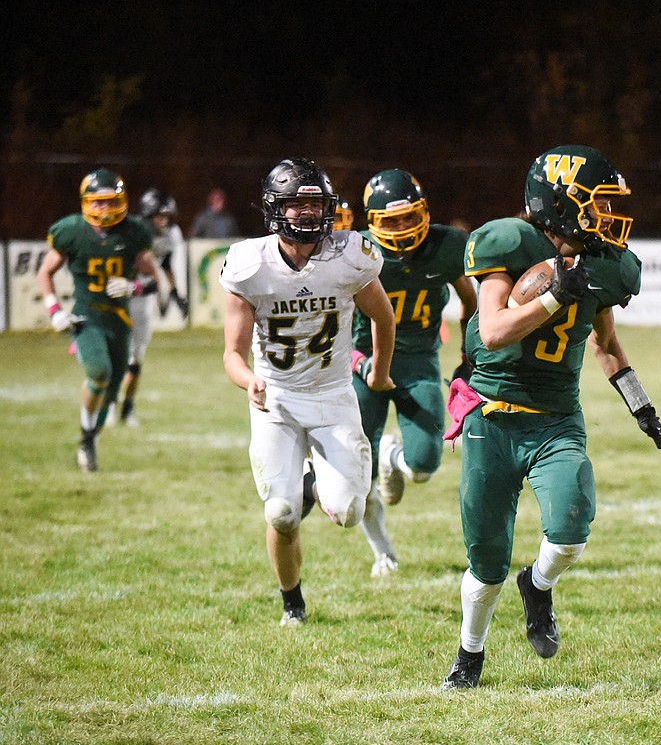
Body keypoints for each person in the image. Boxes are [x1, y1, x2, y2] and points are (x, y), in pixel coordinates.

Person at [440, 144, 661, 690]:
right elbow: (494, 331)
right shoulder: (508, 242)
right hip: (492, 417)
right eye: (598, 205)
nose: (611, 218)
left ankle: (538, 583)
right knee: (485, 564)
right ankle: (470, 652)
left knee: (571, 532)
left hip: (556, 418)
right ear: (559, 203)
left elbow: (606, 345)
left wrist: (643, 408)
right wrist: (555, 295)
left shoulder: (604, 266)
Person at [220, 158, 397, 626]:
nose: (306, 213)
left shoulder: (349, 255)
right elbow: (232, 355)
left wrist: (378, 373)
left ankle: (313, 484)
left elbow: (383, 317)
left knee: (349, 513)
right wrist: (248, 380)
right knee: (279, 513)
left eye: (315, 202)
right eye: (296, 203)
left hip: (334, 397)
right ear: (274, 208)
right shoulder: (249, 264)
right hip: (276, 399)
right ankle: (292, 600)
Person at [348, 169, 478, 576]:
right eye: (391, 221)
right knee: (358, 476)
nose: (403, 228)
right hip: (364, 363)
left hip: (419, 362)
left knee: (423, 463)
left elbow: (470, 300)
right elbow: (331, 319)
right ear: (372, 224)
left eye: (409, 217)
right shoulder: (357, 253)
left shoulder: (445, 246)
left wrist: (468, 355)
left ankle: (392, 455)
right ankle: (383, 552)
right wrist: (355, 362)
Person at [36, 168, 162, 471]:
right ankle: (87, 440)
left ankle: (89, 438)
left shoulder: (134, 232)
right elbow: (45, 272)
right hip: (85, 317)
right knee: (99, 373)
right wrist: (54, 309)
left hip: (119, 320)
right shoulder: (70, 231)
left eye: (111, 201)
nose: (105, 208)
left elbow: (154, 279)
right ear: (86, 202)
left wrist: (134, 287)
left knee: (112, 390)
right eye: (99, 202)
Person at [115, 188, 189, 427]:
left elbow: (166, 264)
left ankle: (127, 409)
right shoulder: (132, 232)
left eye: (167, 216)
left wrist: (175, 293)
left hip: (142, 298)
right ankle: (106, 404)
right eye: (159, 216)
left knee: (136, 358)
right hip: (119, 295)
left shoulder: (171, 234)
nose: (163, 221)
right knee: (115, 355)